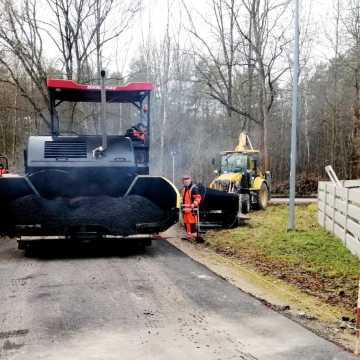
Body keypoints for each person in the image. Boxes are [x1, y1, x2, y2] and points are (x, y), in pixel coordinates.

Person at [181, 175, 202, 241]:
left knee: (192, 224)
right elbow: (182, 199)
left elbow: (198, 198)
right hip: (185, 210)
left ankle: (194, 237)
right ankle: (189, 236)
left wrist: (193, 204)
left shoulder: (194, 188)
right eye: (184, 180)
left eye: (187, 179)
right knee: (186, 224)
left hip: (191, 211)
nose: (186, 181)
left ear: (190, 180)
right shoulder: (184, 189)